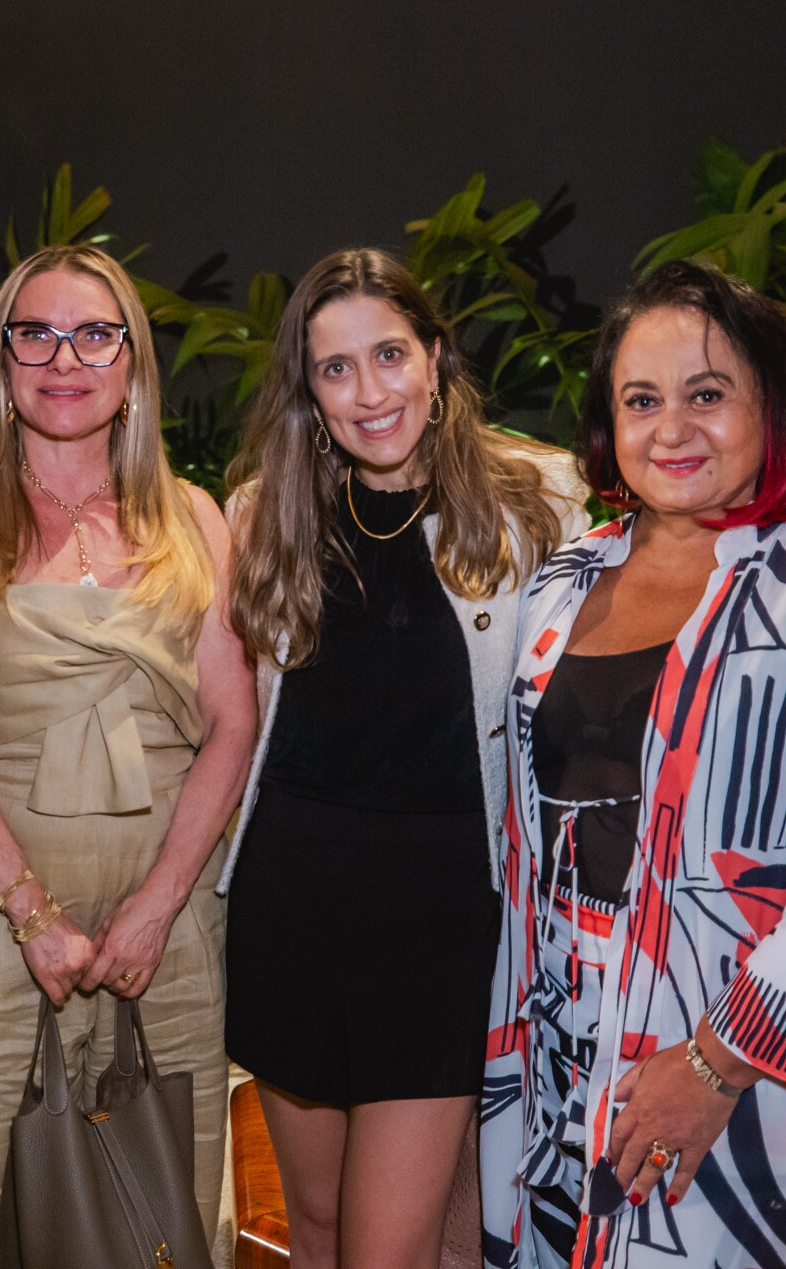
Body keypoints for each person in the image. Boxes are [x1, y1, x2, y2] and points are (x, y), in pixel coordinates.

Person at [479, 260, 786, 1268]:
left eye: (708, 392)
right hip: (557, 1022)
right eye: (642, 399)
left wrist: (715, 1063)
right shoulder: (565, 581)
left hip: (733, 1048)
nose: (672, 426)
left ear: (770, 405)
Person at [0, 243, 255, 1268]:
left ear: (132, 363)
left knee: (167, 1189)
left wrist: (159, 901)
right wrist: (33, 912)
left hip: (168, 923)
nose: (65, 357)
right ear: (2, 361)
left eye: (96, 333)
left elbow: (233, 722)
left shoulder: (196, 521)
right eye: (34, 332)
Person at [222, 247, 587, 1268]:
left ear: (436, 357)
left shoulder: (539, 500)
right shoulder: (265, 510)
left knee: (393, 1246)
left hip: (440, 921)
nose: (369, 391)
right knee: (320, 1226)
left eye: (389, 354)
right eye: (335, 368)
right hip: (291, 905)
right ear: (309, 388)